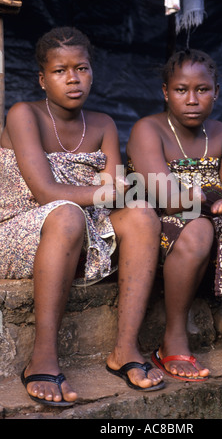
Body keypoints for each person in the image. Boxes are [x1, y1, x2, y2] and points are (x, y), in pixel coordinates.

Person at [0, 26, 165, 406]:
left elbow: (118, 193)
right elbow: (46, 193)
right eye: (60, 71)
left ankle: (125, 348)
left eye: (82, 68)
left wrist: (136, 195)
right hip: (21, 231)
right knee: (66, 212)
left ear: (92, 72)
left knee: (140, 215)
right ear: (42, 79)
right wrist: (112, 190)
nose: (73, 78)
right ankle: (42, 356)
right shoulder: (23, 114)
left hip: (81, 231)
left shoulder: (104, 123)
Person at [127, 48, 222, 381]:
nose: (192, 99)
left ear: (216, 92)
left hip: (210, 219)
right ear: (166, 93)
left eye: (202, 89)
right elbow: (166, 200)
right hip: (161, 225)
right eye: (181, 90)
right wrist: (206, 204)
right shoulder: (148, 130)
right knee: (197, 229)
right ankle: (173, 339)